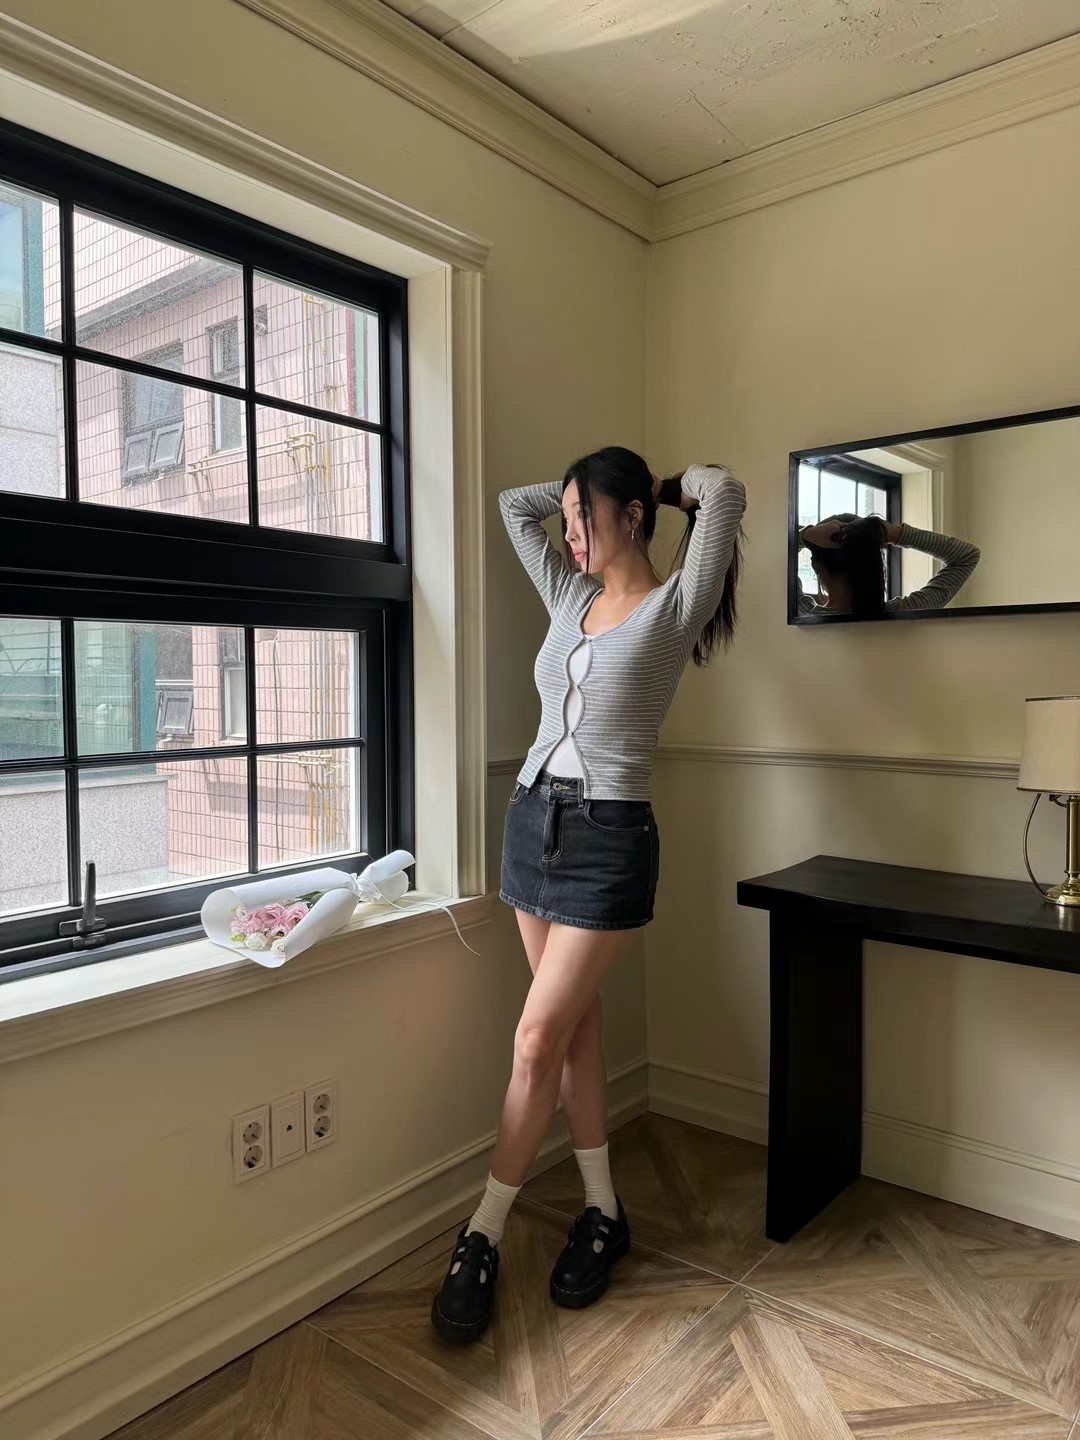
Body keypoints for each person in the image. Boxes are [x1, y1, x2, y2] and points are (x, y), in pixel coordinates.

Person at [430, 445, 746, 1344]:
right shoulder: (570, 595)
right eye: (567, 518)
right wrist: (580, 493)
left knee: (536, 1037)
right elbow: (511, 505)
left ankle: (483, 1231)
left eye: (585, 516)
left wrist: (659, 485)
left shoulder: (675, 605)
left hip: (608, 841)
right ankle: (604, 1211)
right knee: (570, 1030)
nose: (569, 531)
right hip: (532, 823)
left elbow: (725, 492)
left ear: (634, 517)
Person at [797, 513, 980, 617]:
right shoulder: (906, 614)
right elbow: (966, 556)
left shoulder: (800, 616)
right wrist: (895, 533)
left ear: (817, 567)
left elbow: (778, 549)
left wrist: (806, 535)